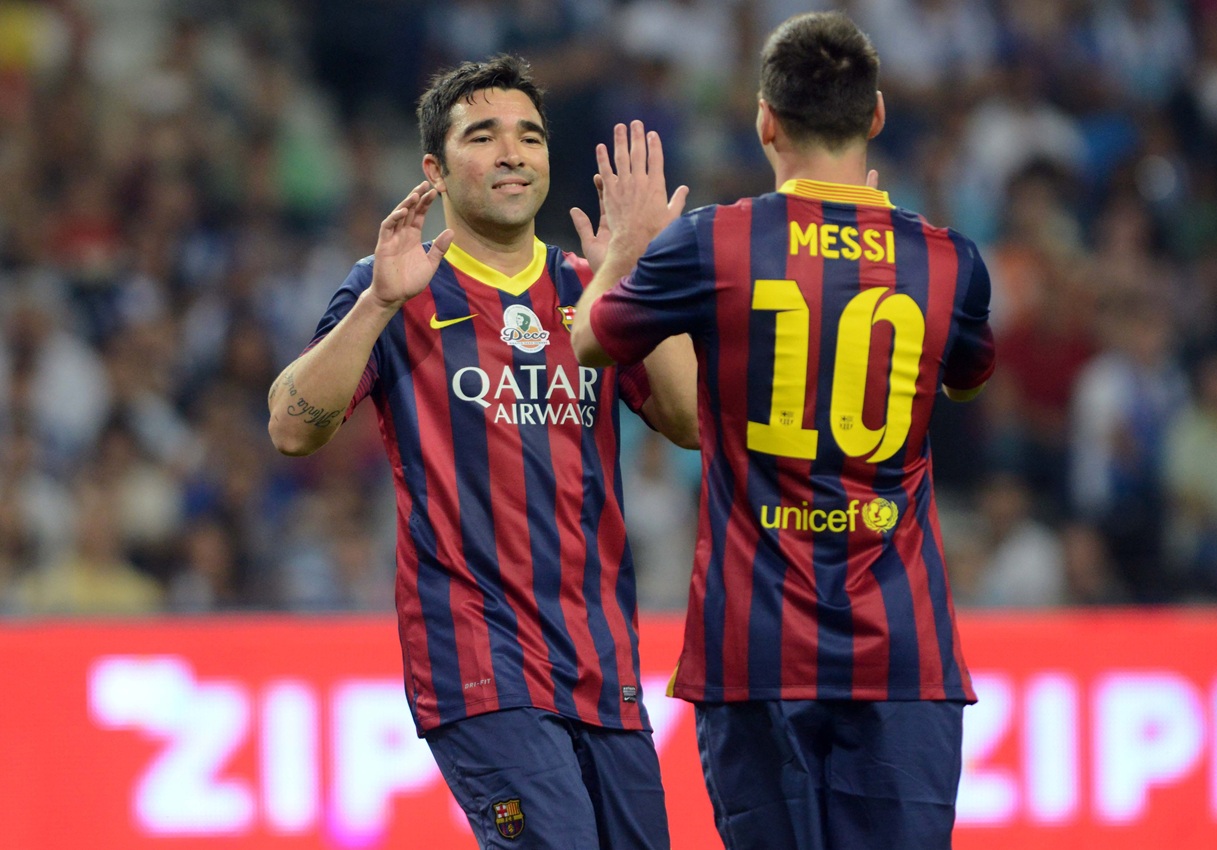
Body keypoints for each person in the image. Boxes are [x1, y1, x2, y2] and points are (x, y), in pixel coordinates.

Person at [571, 12, 995, 850]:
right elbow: (965, 381)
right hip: (901, 652)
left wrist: (624, 252)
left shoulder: (712, 243)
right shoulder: (949, 261)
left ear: (765, 120)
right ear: (876, 114)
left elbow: (586, 342)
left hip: (752, 650)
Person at [268, 55, 695, 850]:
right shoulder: (396, 285)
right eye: (483, 136)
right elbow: (292, 428)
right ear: (433, 170)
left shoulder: (588, 286)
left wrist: (637, 275)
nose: (511, 153)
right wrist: (377, 304)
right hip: (478, 663)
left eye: (529, 137)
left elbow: (691, 421)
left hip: (603, 662)